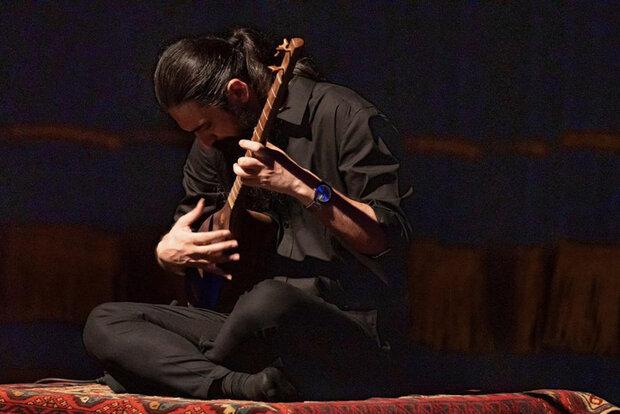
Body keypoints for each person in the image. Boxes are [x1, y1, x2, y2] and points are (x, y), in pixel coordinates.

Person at [83, 28, 412, 402]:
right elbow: (196, 242)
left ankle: (170, 373)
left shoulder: (344, 115)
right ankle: (232, 383)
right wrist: (169, 253)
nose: (202, 140)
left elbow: (385, 239)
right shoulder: (211, 145)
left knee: (270, 299)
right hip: (243, 326)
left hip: (342, 326)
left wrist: (300, 186)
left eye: (205, 126)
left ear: (238, 92)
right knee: (105, 321)